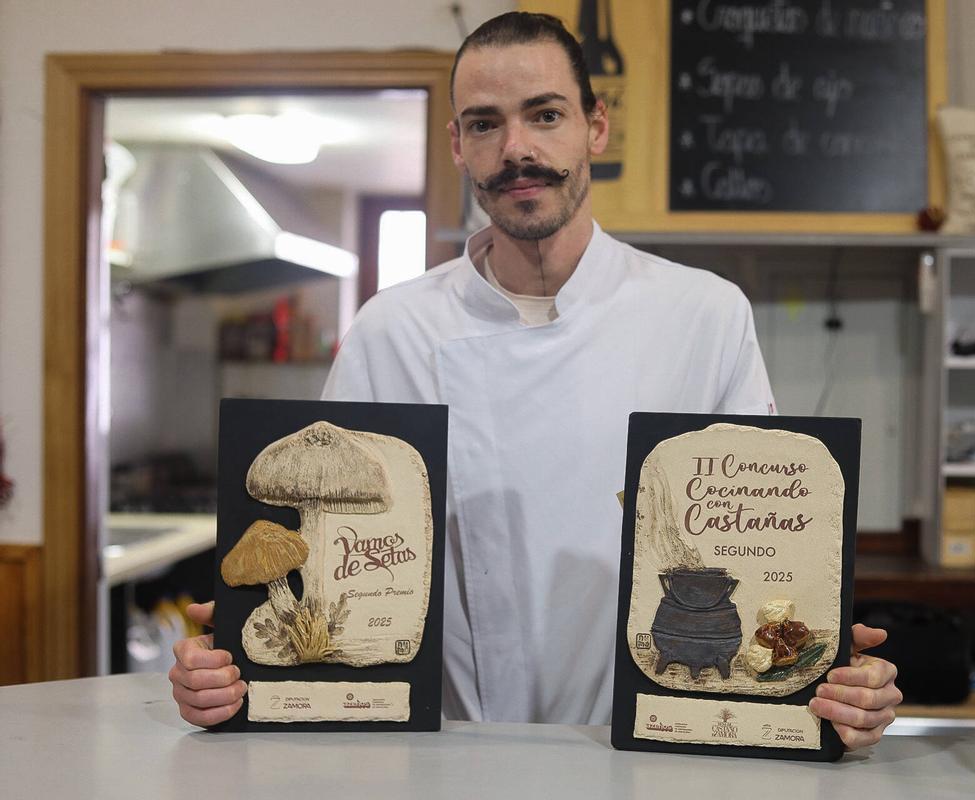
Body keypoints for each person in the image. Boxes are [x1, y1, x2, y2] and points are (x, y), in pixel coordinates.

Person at [169, 12, 902, 749]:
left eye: (545, 115)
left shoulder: (704, 315)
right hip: (442, 752)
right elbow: (334, 557)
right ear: (457, 145)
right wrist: (232, 675)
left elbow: (756, 549)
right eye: (485, 124)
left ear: (595, 126)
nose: (516, 148)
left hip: (656, 748)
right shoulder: (391, 331)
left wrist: (826, 681)